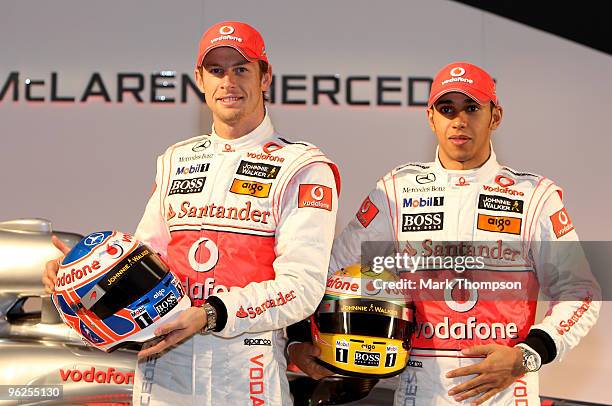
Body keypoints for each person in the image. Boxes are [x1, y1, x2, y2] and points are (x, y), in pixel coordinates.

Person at [43, 20, 340, 405]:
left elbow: (302, 288)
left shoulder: (302, 167)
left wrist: (211, 314)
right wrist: (86, 272)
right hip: (165, 365)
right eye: (216, 70)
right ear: (200, 79)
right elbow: (144, 258)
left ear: (265, 77)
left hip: (245, 370)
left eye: (241, 69)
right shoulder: (176, 159)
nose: (228, 82)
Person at [288, 62, 600, 405]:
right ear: (431, 118)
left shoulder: (534, 196)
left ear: (495, 117)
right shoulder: (396, 190)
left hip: (506, 393)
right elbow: (328, 272)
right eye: (447, 109)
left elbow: (581, 293)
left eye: (472, 108)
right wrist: (301, 339)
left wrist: (526, 355)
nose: (459, 120)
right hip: (420, 390)